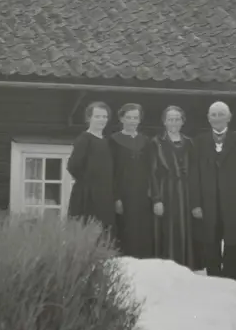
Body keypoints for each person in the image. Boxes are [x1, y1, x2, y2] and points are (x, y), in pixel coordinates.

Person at [190, 101, 236, 282]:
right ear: (208, 118)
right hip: (208, 203)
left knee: (235, 245)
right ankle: (214, 283)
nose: (217, 118)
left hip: (235, 203)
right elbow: (193, 174)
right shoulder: (199, 142)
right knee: (210, 245)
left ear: (229, 117)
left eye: (221, 114)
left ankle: (234, 284)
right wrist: (196, 203)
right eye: (214, 115)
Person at [152, 105, 197, 270]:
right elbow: (152, 172)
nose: (174, 122)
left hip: (186, 193)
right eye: (170, 119)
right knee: (167, 231)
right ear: (164, 122)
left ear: (182, 121)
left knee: (185, 230)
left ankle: (186, 269)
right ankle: (167, 271)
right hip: (166, 192)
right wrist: (156, 199)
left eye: (177, 119)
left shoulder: (189, 143)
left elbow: (195, 171)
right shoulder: (157, 142)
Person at [109, 103, 157, 259]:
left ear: (140, 120)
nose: (132, 121)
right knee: (124, 233)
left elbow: (151, 170)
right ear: (121, 119)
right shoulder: (113, 141)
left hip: (142, 195)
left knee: (143, 233)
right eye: (128, 117)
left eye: (135, 118)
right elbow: (111, 171)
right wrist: (116, 197)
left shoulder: (146, 141)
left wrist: (153, 195)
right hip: (123, 194)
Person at [67, 101, 116, 241]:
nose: (102, 120)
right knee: (86, 235)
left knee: (104, 236)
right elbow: (73, 166)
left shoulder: (107, 142)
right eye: (98, 116)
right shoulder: (84, 139)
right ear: (89, 118)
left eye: (104, 117)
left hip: (105, 196)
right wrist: (89, 183)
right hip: (86, 197)